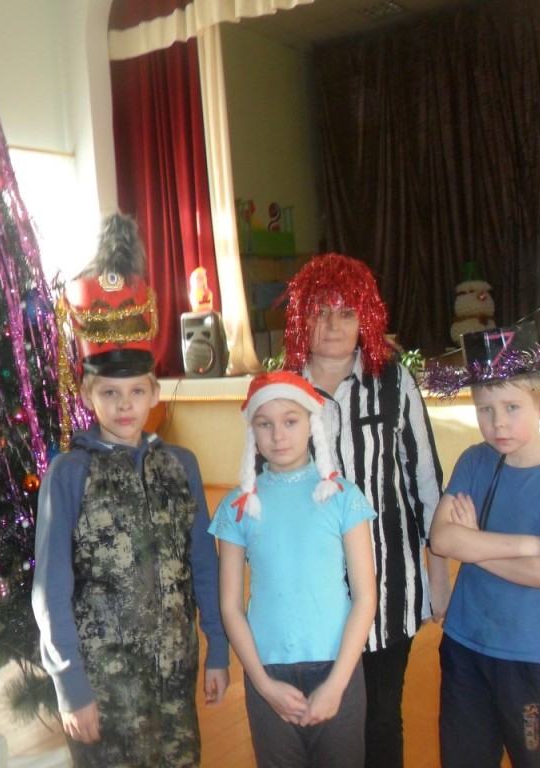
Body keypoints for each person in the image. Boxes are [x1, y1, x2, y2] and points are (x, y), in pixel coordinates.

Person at [32, 213, 229, 768]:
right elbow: (50, 588)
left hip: (174, 683)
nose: (124, 406)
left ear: (155, 393)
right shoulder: (69, 474)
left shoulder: (181, 466)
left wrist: (217, 647)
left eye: (137, 392)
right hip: (104, 692)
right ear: (88, 395)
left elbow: (203, 565)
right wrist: (71, 685)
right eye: (110, 393)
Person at [280, 252, 446, 768]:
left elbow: (425, 481)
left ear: (366, 318)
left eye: (346, 312)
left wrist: (439, 573)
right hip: (311, 592)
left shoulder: (394, 381)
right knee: (320, 716)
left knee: (380, 716)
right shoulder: (281, 389)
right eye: (320, 311)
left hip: (390, 585)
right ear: (301, 318)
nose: (332, 325)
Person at [423, 322, 540, 767]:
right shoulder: (474, 461)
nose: (498, 422)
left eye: (512, 407)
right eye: (484, 409)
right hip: (465, 645)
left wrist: (473, 547)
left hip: (534, 656)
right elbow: (442, 538)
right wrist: (524, 546)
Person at [210, 370, 378, 768]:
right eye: (264, 424)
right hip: (268, 671)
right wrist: (262, 684)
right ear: (252, 431)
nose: (278, 436)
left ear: (311, 424)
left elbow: (365, 596)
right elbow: (230, 606)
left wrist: (337, 685)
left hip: (337, 667)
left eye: (290, 421)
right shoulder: (238, 506)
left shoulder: (342, 497)